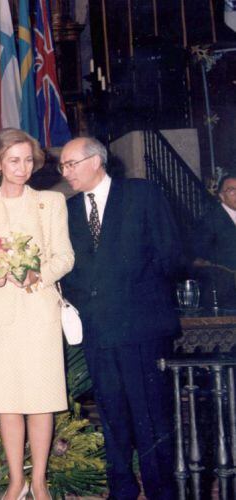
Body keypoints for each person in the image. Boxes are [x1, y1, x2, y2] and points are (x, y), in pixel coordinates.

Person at [60, 136, 180, 500]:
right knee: (111, 415)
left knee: (150, 415)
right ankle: (121, 489)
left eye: (70, 164)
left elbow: (171, 255)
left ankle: (161, 491)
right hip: (97, 330)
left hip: (140, 326)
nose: (65, 172)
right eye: (63, 166)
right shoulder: (66, 209)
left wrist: (135, 292)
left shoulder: (141, 194)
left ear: (96, 161)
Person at [0, 128, 74, 500]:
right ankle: (16, 481)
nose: (22, 167)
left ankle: (39, 481)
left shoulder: (51, 202)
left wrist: (38, 274)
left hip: (39, 309)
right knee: (7, 400)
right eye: (14, 160)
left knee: (42, 399)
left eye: (28, 160)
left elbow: (65, 257)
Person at [191, 174, 236, 307]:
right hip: (224, 293)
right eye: (232, 190)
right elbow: (198, 258)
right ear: (221, 196)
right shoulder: (210, 220)